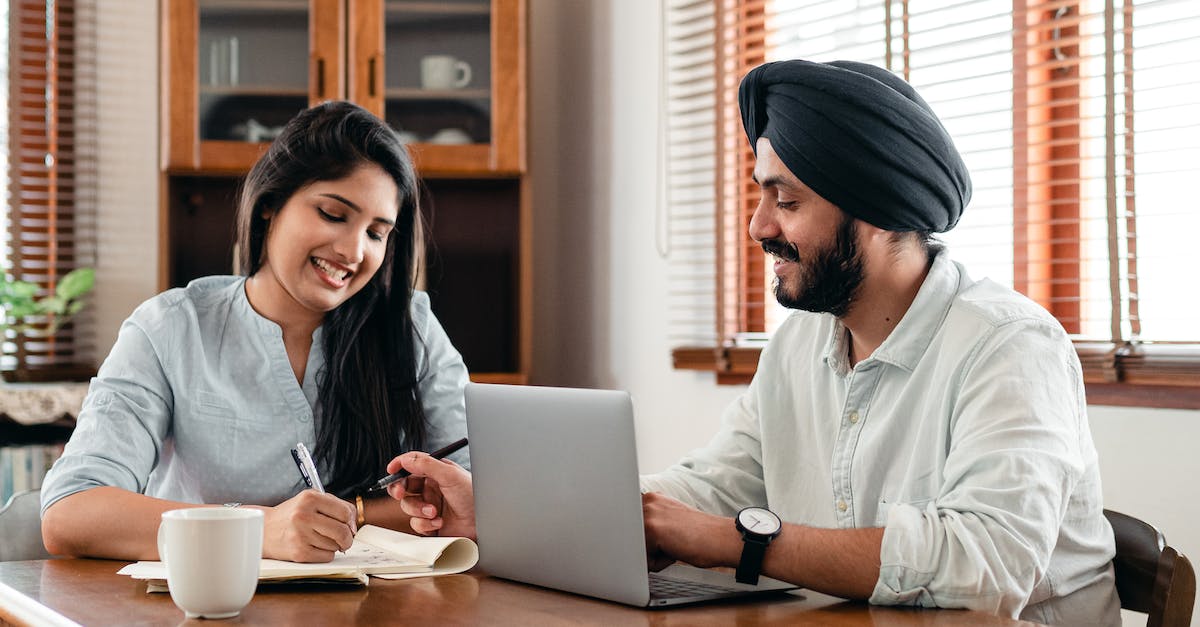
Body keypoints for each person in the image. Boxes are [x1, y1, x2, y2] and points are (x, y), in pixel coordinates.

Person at [386, 60, 1121, 625]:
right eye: (761, 193)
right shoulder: (801, 344)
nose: (758, 227)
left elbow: (987, 564)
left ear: (876, 212)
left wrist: (737, 541)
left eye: (787, 199)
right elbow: (708, 491)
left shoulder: (1010, 346)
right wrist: (510, 511)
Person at [40, 101, 470, 563]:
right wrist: (259, 528)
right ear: (270, 205)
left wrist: (352, 514)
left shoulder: (412, 327)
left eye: (376, 233)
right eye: (332, 214)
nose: (352, 250)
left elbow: (466, 498)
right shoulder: (171, 328)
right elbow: (70, 514)